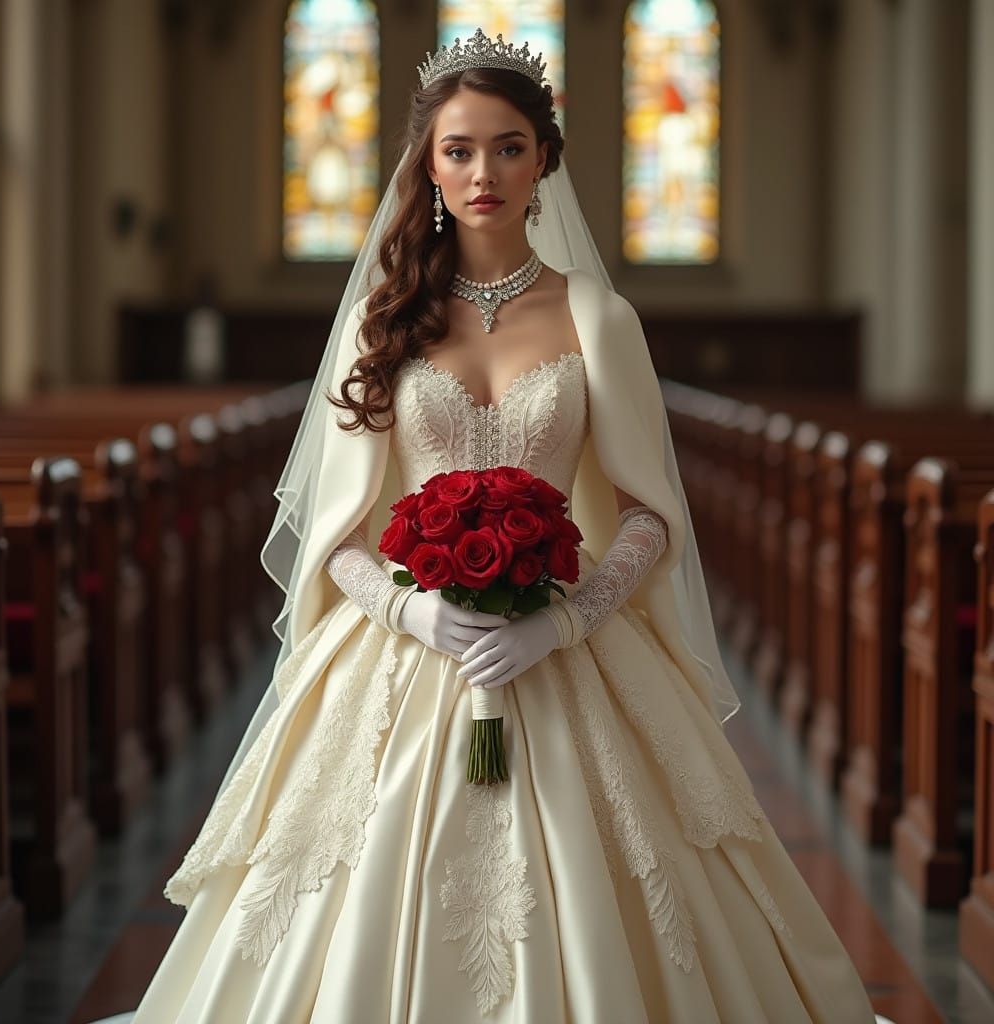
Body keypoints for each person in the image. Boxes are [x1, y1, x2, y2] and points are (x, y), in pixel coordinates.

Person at [92, 28, 894, 1024]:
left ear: (545, 158)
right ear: (427, 164)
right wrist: (415, 617)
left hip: (564, 638)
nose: (484, 172)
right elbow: (338, 532)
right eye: (460, 149)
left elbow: (649, 511)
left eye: (509, 146)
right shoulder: (381, 319)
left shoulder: (599, 317)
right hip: (405, 642)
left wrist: (558, 621)